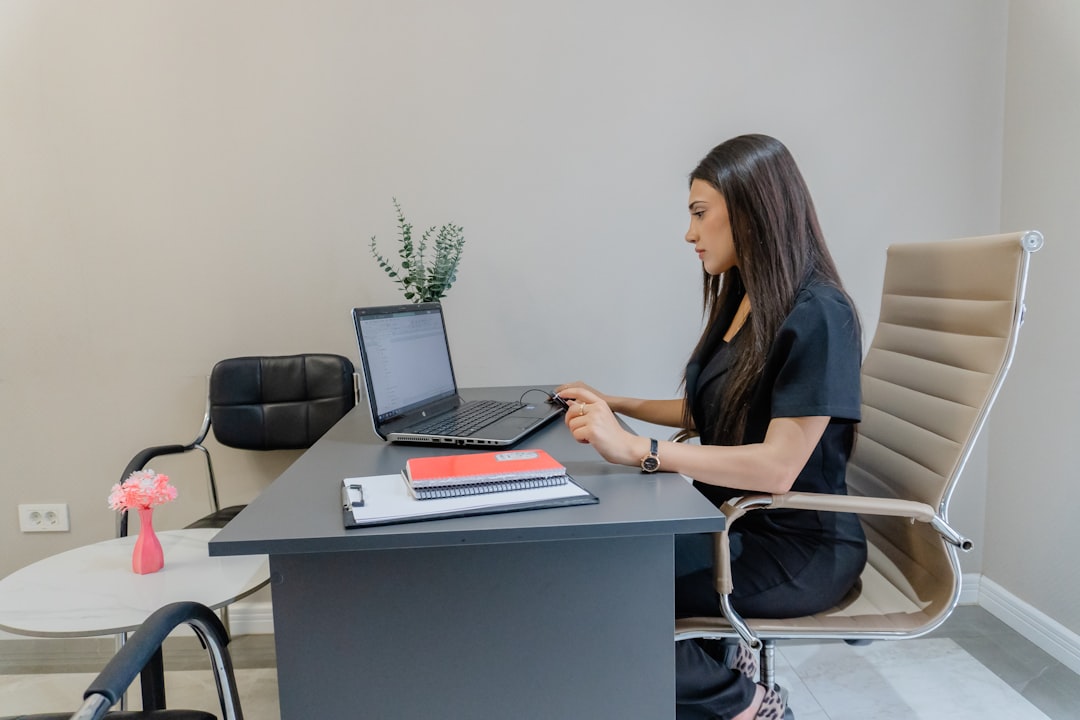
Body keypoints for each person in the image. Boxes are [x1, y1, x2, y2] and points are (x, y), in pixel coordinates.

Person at [556, 133, 867, 720]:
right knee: (594, 565)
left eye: (700, 215)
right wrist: (614, 402)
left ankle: (746, 706)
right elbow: (715, 413)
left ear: (751, 212)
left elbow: (777, 465)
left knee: (610, 601)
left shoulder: (820, 314)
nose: (689, 234)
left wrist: (641, 451)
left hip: (797, 548)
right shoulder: (747, 296)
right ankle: (721, 668)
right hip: (729, 520)